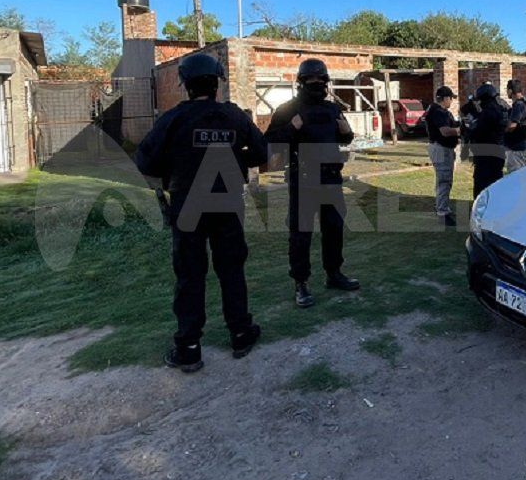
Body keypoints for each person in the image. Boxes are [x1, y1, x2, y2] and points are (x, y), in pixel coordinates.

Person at [135, 53, 268, 373]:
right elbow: (262, 152)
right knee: (231, 270)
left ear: (186, 85)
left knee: (190, 275)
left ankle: (189, 348)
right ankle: (240, 333)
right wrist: (235, 158)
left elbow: (145, 161)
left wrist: (177, 162)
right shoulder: (234, 117)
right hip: (226, 203)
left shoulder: (172, 119)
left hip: (188, 206)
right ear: (216, 83)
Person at [265, 58, 360, 309]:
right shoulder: (287, 109)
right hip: (303, 179)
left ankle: (334, 273)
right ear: (302, 82)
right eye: (311, 80)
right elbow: (270, 142)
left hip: (331, 178)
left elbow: (345, 137)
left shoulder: (332, 109)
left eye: (321, 80)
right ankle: (301, 282)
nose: (317, 83)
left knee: (334, 228)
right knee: (301, 233)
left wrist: (347, 132)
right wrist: (291, 128)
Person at [424, 86, 461, 227]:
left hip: (440, 148)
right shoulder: (439, 112)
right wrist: (461, 130)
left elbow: (450, 125)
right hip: (441, 148)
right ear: (445, 98)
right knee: (444, 181)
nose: (451, 101)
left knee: (443, 180)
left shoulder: (437, 110)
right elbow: (445, 131)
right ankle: (442, 213)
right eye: (450, 98)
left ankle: (442, 207)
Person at [465, 82, 508, 199]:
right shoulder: (500, 109)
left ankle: (482, 207)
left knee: (481, 185)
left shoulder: (488, 112)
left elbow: (478, 132)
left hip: (486, 155)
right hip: (498, 152)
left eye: (480, 100)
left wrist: (468, 130)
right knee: (495, 183)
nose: (479, 103)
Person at [503, 79, 526, 172]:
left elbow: (512, 126)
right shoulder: (524, 102)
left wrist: (503, 131)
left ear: (510, 91)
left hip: (516, 147)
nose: (507, 92)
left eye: (507, 90)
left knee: (515, 173)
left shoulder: (519, 105)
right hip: (519, 144)